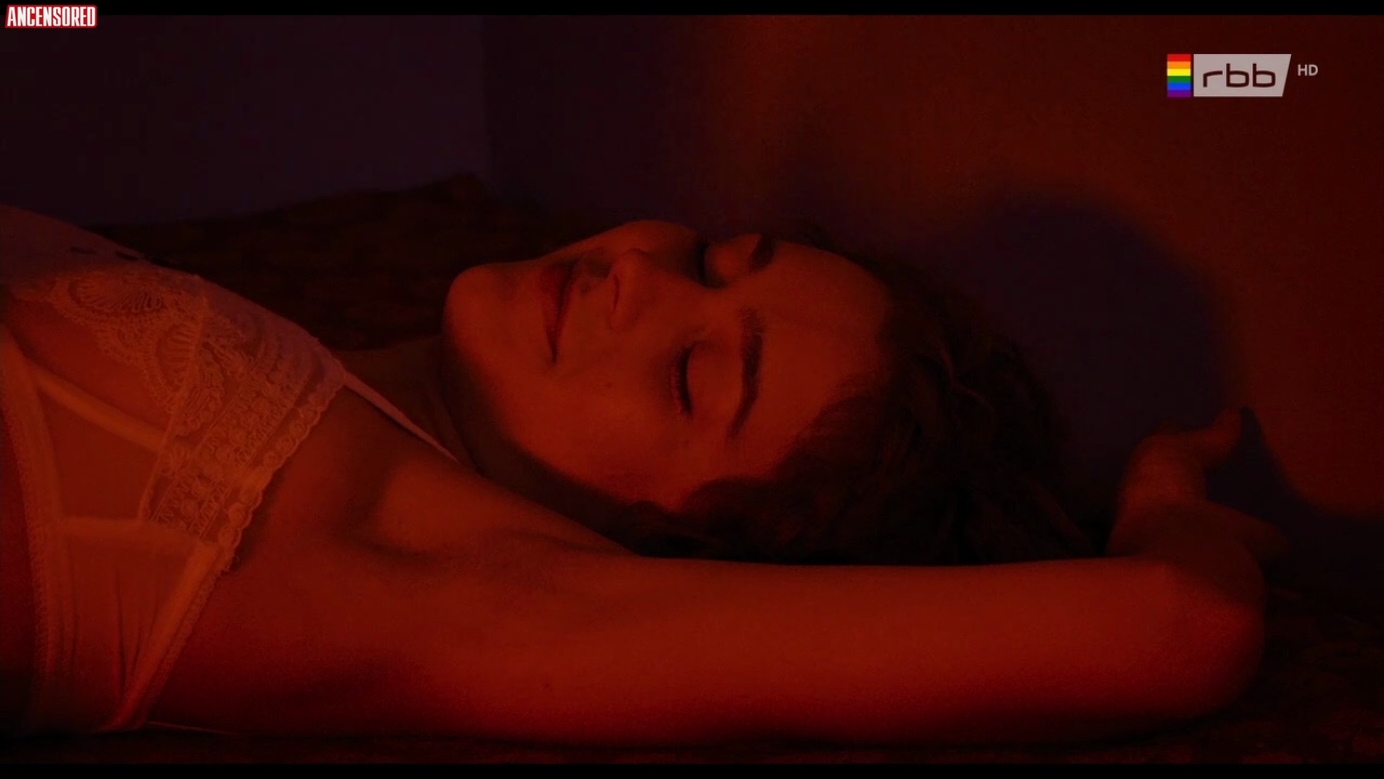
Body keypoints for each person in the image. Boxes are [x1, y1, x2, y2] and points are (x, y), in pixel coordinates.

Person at [0, 204, 1285, 744]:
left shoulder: (457, 578)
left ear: (680, 551)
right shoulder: (340, 396)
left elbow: (1180, 620)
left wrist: (1164, 506)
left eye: (693, 377)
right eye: (717, 257)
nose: (640, 276)